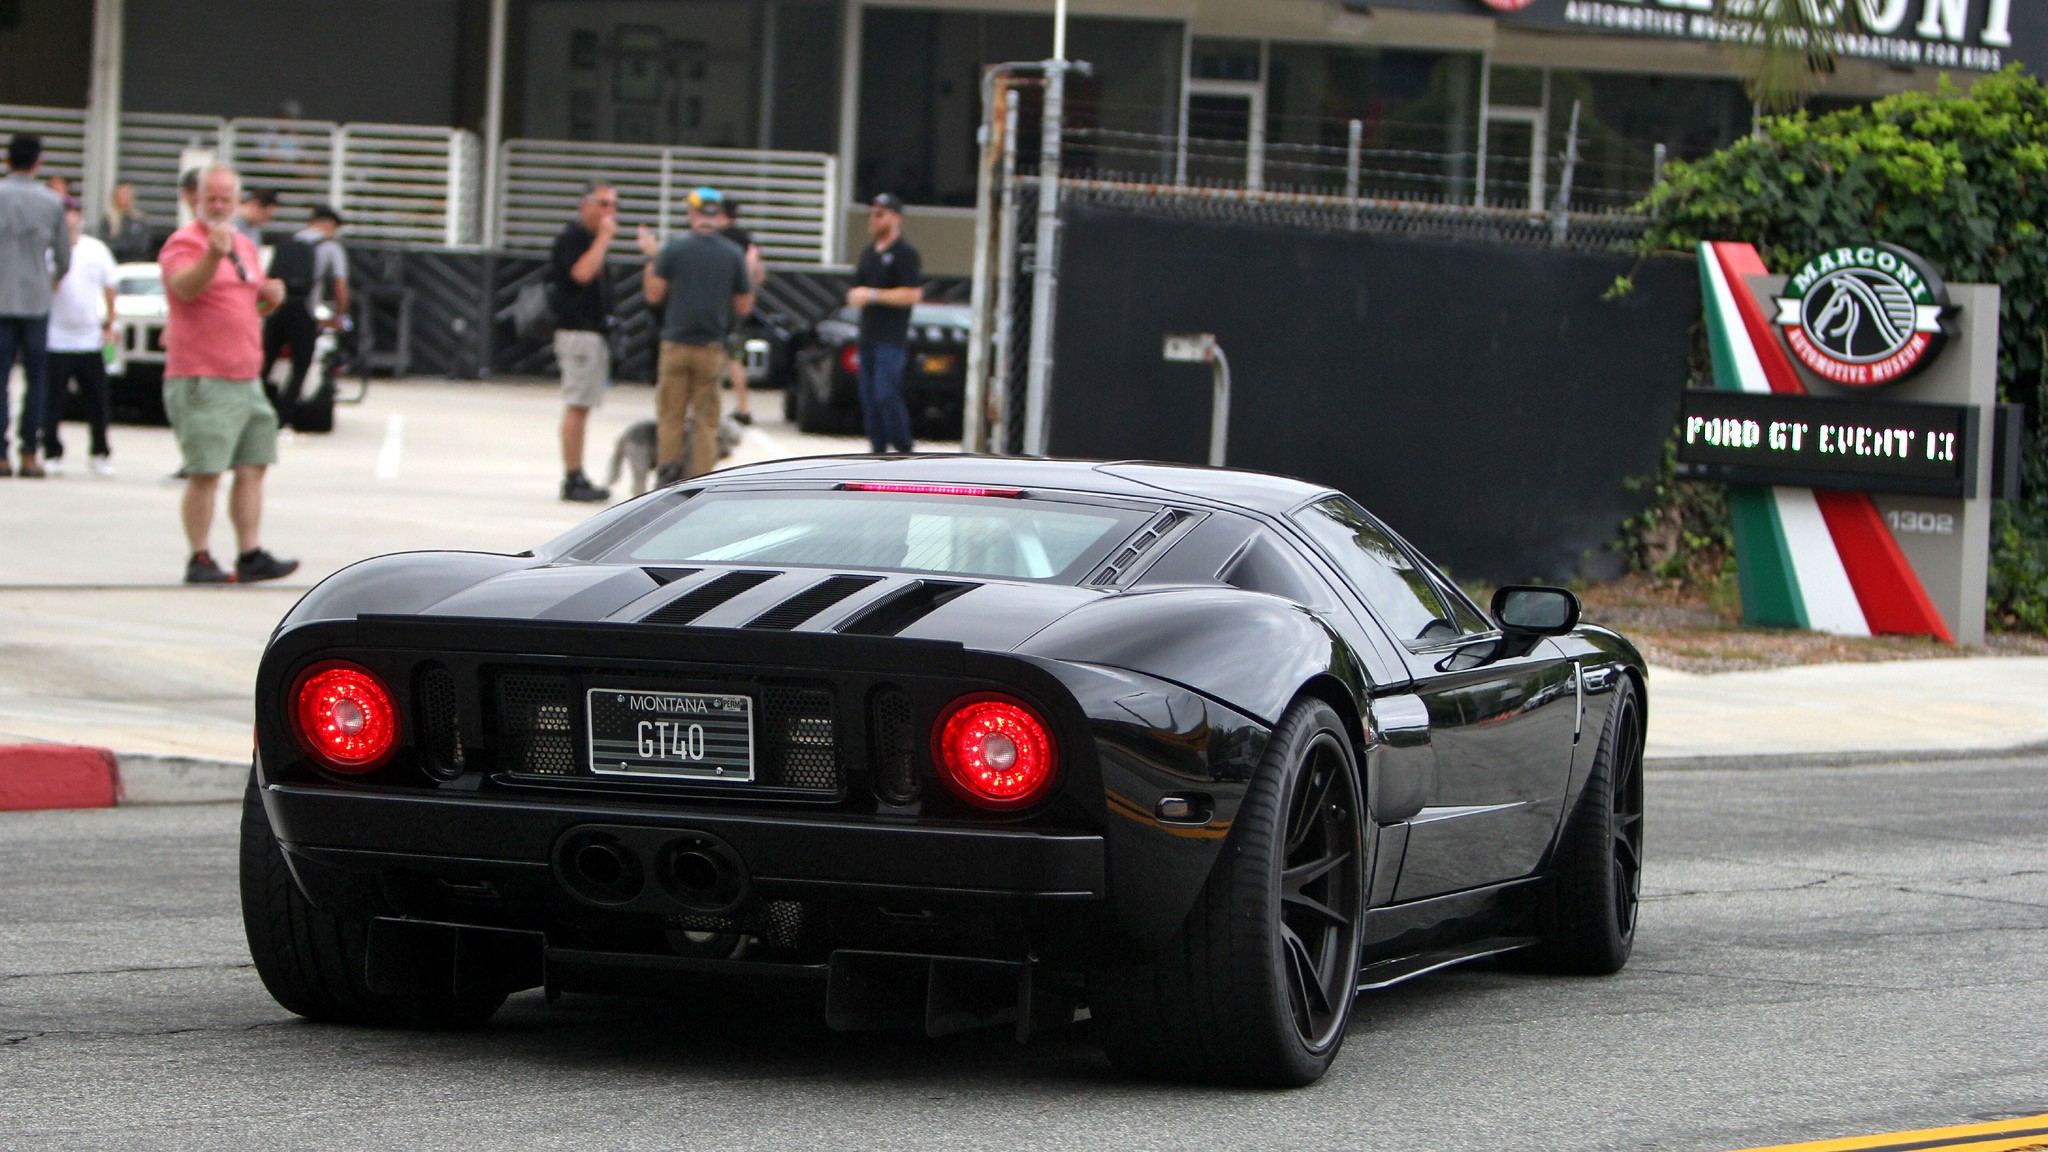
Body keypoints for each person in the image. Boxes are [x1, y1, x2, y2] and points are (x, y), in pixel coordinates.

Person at [158, 165, 299, 585]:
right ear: (196, 200)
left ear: (239, 202)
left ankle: (250, 553)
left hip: (245, 377)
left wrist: (269, 300)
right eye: (211, 198)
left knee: (254, 464)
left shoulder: (244, 244)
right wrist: (212, 255)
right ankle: (199, 558)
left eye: (226, 198)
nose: (219, 205)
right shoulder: (185, 243)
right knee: (206, 471)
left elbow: (241, 305)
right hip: (203, 375)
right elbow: (184, 288)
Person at [637, 187, 753, 484]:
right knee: (706, 421)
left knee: (671, 416)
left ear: (692, 213)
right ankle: (699, 483)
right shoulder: (733, 253)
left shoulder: (674, 249)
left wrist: (650, 258)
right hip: (711, 347)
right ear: (718, 214)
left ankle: (667, 478)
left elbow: (654, 295)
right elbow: (743, 305)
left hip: (675, 344)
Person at [0, 132, 69, 478]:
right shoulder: (52, 202)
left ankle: (0, 455)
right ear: (38, 163)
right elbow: (64, 256)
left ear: (7, 160)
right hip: (36, 300)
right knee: (37, 379)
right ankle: (30, 452)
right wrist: (52, 278)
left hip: (1, 298)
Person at [548, 181, 618, 502]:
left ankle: (577, 472)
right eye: (603, 204)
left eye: (613, 205)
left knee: (584, 405)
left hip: (594, 332)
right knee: (577, 404)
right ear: (585, 204)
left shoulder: (590, 240)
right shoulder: (572, 239)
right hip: (577, 332)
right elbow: (581, 274)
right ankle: (572, 476)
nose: (609, 212)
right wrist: (603, 239)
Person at [42, 195, 119, 475]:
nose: (69, 218)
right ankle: (51, 452)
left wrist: (110, 322)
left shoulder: (96, 250)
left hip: (89, 338)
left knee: (97, 400)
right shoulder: (47, 251)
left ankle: (99, 452)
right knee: (53, 400)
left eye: (73, 212)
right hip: (57, 337)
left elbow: (110, 285)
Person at [847, 192, 922, 455]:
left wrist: (873, 295)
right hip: (868, 335)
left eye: (880, 215)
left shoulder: (905, 254)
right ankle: (877, 448)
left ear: (895, 218)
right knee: (868, 397)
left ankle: (903, 447)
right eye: (871, 214)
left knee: (885, 393)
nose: (873, 220)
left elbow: (912, 294)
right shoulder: (869, 253)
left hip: (890, 338)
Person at [261, 204, 348, 428]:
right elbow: (340, 286)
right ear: (331, 225)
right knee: (301, 366)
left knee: (265, 363)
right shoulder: (331, 247)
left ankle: (255, 410)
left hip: (276, 308)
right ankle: (283, 416)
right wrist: (339, 316)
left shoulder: (289, 241)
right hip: (304, 311)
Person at [713, 197, 766, 424]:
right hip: (740, 303)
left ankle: (711, 404)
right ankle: (743, 406)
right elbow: (758, 272)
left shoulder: (718, 239)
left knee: (716, 353)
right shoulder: (746, 239)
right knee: (735, 355)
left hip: (719, 303)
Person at [100, 181, 152, 263]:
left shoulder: (139, 219)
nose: (123, 197)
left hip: (136, 261)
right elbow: (107, 245)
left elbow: (143, 245)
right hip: (115, 262)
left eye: (126, 194)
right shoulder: (108, 220)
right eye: (121, 194)